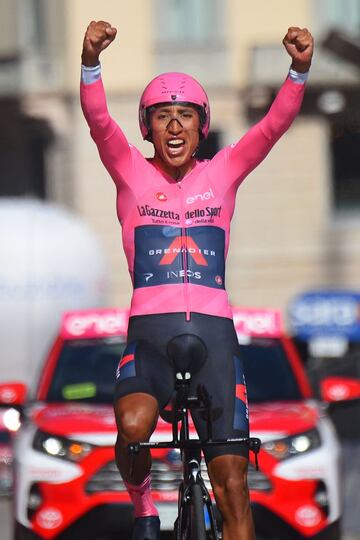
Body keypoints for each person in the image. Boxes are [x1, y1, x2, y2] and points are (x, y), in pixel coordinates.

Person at [80, 20, 313, 540]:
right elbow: (98, 122)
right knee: (133, 427)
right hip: (150, 337)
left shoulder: (224, 171)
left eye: (185, 115)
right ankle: (143, 507)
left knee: (233, 486)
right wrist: (91, 62)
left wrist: (298, 72)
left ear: (201, 126)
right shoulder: (129, 172)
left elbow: (272, 127)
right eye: (163, 117)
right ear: (148, 128)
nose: (175, 126)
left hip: (214, 338)